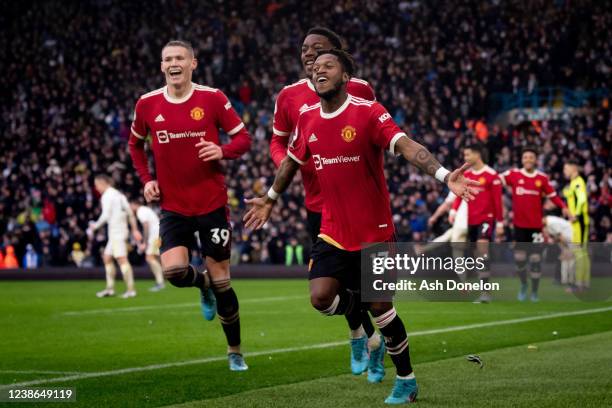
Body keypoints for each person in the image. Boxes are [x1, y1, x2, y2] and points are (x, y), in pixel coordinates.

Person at [244, 49, 479, 404]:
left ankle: (406, 379)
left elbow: (407, 146)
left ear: (345, 76)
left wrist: (445, 175)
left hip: (375, 230)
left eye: (328, 66)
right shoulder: (306, 118)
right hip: (333, 230)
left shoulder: (367, 111)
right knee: (321, 299)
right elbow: (292, 161)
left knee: (382, 308)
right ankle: (360, 321)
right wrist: (272, 198)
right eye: (315, 67)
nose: (319, 71)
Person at [128, 40, 252, 370]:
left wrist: (222, 150)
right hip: (173, 206)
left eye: (180, 58)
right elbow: (135, 146)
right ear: (161, 66)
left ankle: (235, 351)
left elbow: (244, 139)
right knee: (172, 271)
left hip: (211, 205)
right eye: (167, 58)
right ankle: (202, 285)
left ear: (192, 63)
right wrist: (146, 180)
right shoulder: (147, 104)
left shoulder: (212, 98)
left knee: (224, 281)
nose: (173, 63)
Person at [270, 26, 381, 380]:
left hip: (358, 204)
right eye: (305, 48)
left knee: (364, 285)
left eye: (318, 49)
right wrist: (292, 165)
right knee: (333, 285)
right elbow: (278, 143)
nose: (309, 53)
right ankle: (358, 334)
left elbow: (374, 133)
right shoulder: (288, 96)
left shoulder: (359, 89)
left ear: (338, 56)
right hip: (318, 205)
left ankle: (370, 337)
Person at [500, 146, 567, 302]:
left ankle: (534, 292)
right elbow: (495, 180)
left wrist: (565, 208)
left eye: (531, 157)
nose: (528, 160)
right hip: (519, 227)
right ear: (522, 160)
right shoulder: (514, 175)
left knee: (536, 260)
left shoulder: (542, 178)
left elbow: (554, 196)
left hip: (536, 227)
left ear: (535, 160)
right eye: (525, 157)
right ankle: (524, 285)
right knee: (520, 260)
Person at [451, 144, 504, 303]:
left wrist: (500, 222)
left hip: (486, 219)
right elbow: (460, 194)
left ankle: (485, 293)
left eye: (468, 155)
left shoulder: (491, 175)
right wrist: (454, 210)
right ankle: (484, 291)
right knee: (477, 256)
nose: (465, 158)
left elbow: (497, 201)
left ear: (477, 155)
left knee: (482, 248)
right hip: (471, 220)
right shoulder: (466, 175)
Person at [87, 174, 142, 299]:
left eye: (97, 185)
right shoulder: (120, 195)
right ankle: (110, 288)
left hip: (117, 232)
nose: (96, 188)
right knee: (107, 257)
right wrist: (134, 230)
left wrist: (94, 226)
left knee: (122, 259)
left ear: (102, 183)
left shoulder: (107, 196)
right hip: (119, 231)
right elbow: (130, 214)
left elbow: (106, 215)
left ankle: (131, 290)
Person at [562, 161, 590, 290]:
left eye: (566, 168)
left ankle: (579, 283)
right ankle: (583, 282)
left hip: (579, 222)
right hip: (578, 222)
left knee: (579, 252)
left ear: (574, 168)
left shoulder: (578, 182)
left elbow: (582, 198)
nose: (564, 171)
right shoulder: (574, 183)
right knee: (581, 252)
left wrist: (576, 215)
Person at [129, 199, 165, 292]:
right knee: (155, 258)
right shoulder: (145, 209)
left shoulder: (140, 211)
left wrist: (144, 242)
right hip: (158, 234)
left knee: (149, 258)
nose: (129, 208)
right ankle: (160, 281)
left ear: (134, 204)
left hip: (154, 236)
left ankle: (160, 282)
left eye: (130, 205)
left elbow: (146, 226)